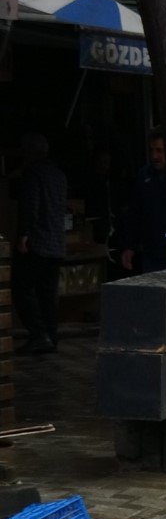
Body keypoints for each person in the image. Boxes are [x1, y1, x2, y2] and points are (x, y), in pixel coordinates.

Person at [15, 132, 67, 355]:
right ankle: (50, 335)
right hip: (56, 242)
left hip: (38, 242)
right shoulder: (58, 174)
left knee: (22, 288)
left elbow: (31, 205)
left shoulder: (32, 173)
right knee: (47, 292)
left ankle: (39, 334)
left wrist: (24, 234)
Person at [114, 127, 166, 275]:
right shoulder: (144, 175)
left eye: (160, 151)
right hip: (151, 249)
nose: (155, 156)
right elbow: (135, 213)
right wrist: (130, 246)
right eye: (152, 150)